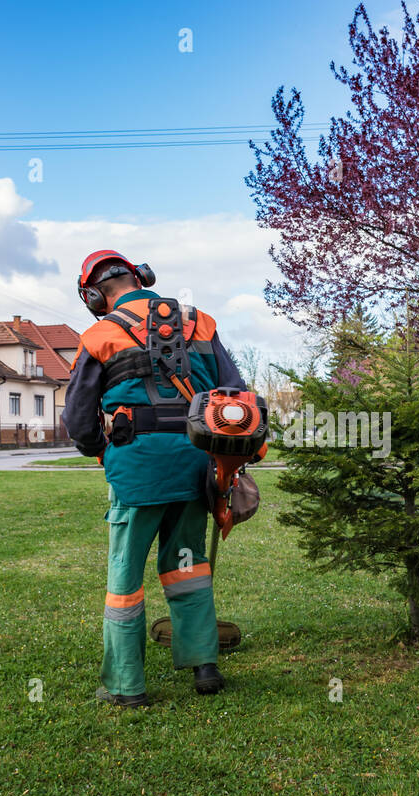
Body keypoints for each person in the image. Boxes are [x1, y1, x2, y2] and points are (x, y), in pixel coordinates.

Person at [62, 250, 247, 707]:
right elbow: (235, 391)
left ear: (93, 295)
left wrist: (100, 450)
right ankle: (204, 665)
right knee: (189, 566)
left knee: (125, 579)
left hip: (135, 469)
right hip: (195, 464)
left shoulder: (100, 334)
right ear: (140, 277)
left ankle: (127, 686)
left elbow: (78, 417)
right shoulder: (199, 321)